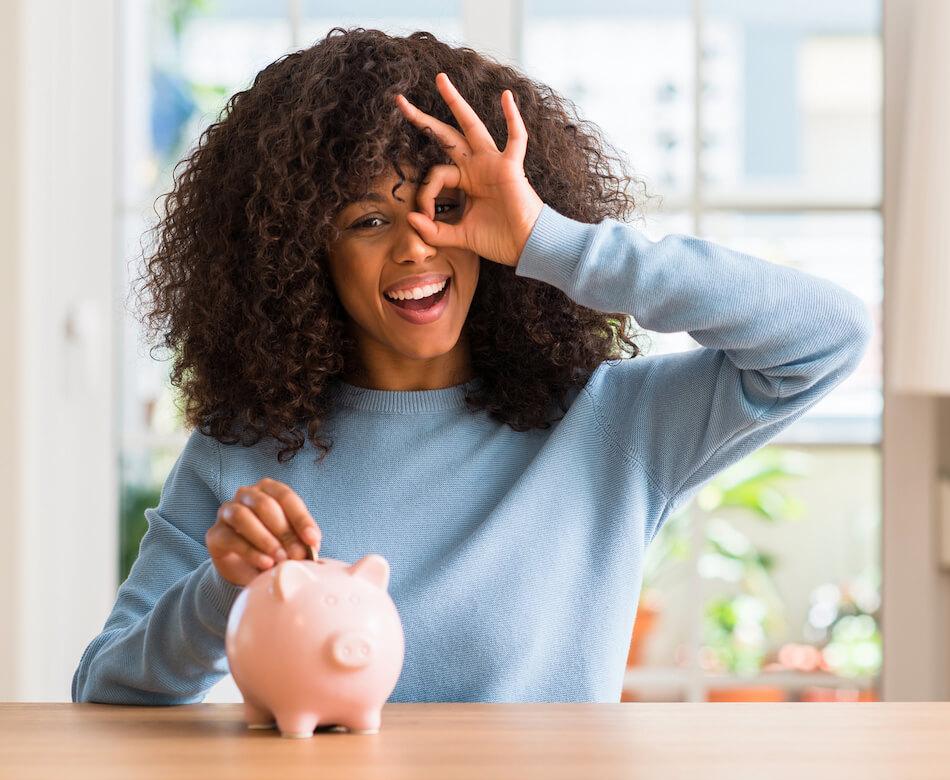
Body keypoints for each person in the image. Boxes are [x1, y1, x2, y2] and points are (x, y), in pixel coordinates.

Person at [73, 28, 871, 704]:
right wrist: (223, 593)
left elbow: (825, 337)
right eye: (369, 218)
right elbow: (104, 691)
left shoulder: (612, 424)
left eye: (446, 207)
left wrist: (547, 242)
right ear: (300, 255)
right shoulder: (243, 450)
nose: (416, 244)